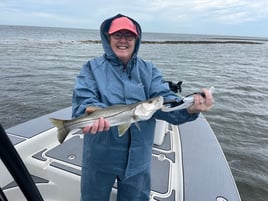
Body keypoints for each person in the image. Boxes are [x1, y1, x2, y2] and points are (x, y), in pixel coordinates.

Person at [72, 14, 213, 201]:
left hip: (139, 160)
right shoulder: (91, 68)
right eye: (117, 35)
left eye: (129, 36)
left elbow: (166, 100)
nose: (123, 40)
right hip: (99, 158)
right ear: (108, 38)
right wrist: (95, 113)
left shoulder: (149, 70)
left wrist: (190, 107)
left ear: (136, 40)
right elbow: (84, 101)